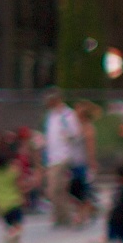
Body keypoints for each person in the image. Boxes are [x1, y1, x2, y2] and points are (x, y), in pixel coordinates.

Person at [42, 90, 87, 227]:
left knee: (55, 188)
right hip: (52, 157)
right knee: (57, 190)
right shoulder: (50, 116)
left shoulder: (67, 115)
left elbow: (77, 134)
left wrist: (69, 136)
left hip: (63, 156)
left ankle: (65, 216)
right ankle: (62, 216)